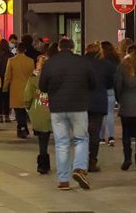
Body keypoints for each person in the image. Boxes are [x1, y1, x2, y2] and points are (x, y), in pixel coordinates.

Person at [39, 37, 96, 191]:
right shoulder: (83, 62)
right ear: (73, 47)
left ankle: (63, 180)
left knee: (62, 143)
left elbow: (42, 86)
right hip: (79, 106)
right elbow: (93, 83)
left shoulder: (50, 63)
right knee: (81, 139)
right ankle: (79, 168)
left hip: (57, 108)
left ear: (59, 47)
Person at [85, 42, 115, 172]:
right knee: (94, 132)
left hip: (82, 101)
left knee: (82, 133)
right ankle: (92, 161)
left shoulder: (81, 63)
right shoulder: (105, 65)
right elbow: (110, 83)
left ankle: (80, 160)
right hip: (98, 101)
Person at [25, 53, 52, 174]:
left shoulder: (33, 78)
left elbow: (27, 96)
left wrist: (28, 107)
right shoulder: (54, 77)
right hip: (52, 109)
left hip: (38, 108)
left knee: (42, 138)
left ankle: (42, 162)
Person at [3, 42, 34, 138]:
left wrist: (5, 87)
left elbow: (8, 75)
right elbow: (32, 75)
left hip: (15, 88)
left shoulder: (11, 61)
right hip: (27, 87)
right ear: (25, 50)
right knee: (25, 110)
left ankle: (21, 128)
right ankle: (23, 128)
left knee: (18, 111)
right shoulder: (30, 61)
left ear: (17, 50)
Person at [99, 41, 120, 146]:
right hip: (112, 90)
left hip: (102, 89)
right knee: (110, 113)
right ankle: (111, 136)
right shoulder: (116, 61)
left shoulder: (100, 62)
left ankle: (101, 137)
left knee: (102, 114)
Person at [0, 39, 12, 123]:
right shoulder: (11, 55)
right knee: (7, 97)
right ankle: (7, 115)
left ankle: (0, 115)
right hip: (8, 78)